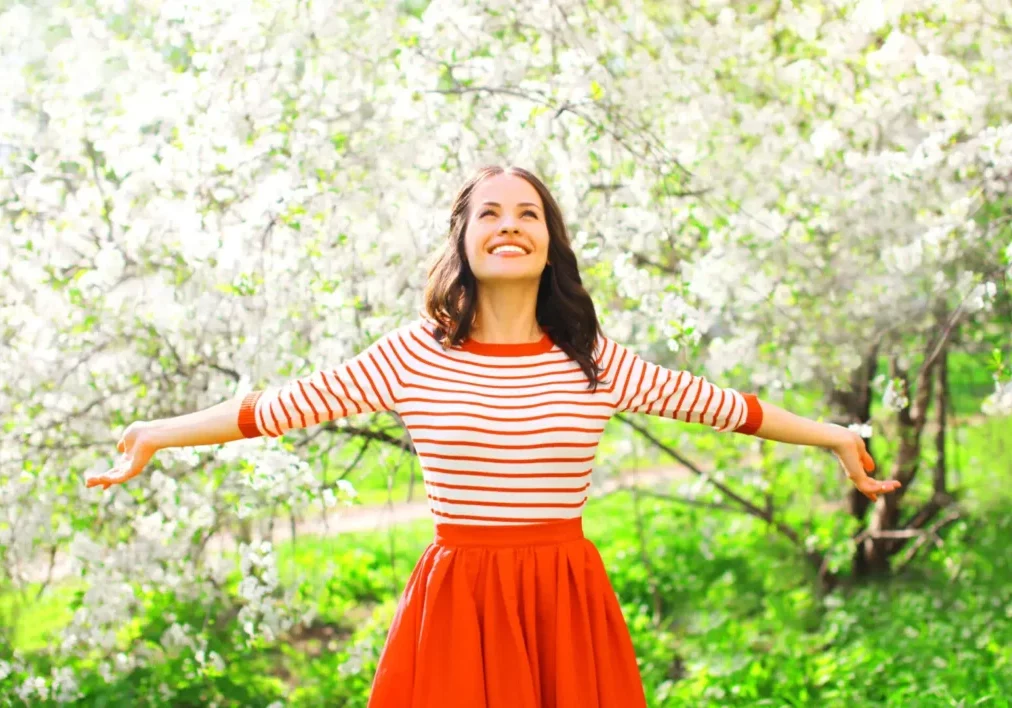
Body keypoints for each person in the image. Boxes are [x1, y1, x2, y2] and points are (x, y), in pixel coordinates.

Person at [87, 165, 901, 707]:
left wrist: (834, 436)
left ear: (549, 243)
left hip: (564, 597)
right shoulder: (413, 356)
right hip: (459, 601)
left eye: (529, 214)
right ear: (464, 240)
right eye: (491, 214)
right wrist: (156, 433)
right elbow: (277, 407)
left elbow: (724, 406)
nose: (510, 225)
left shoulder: (592, 361)